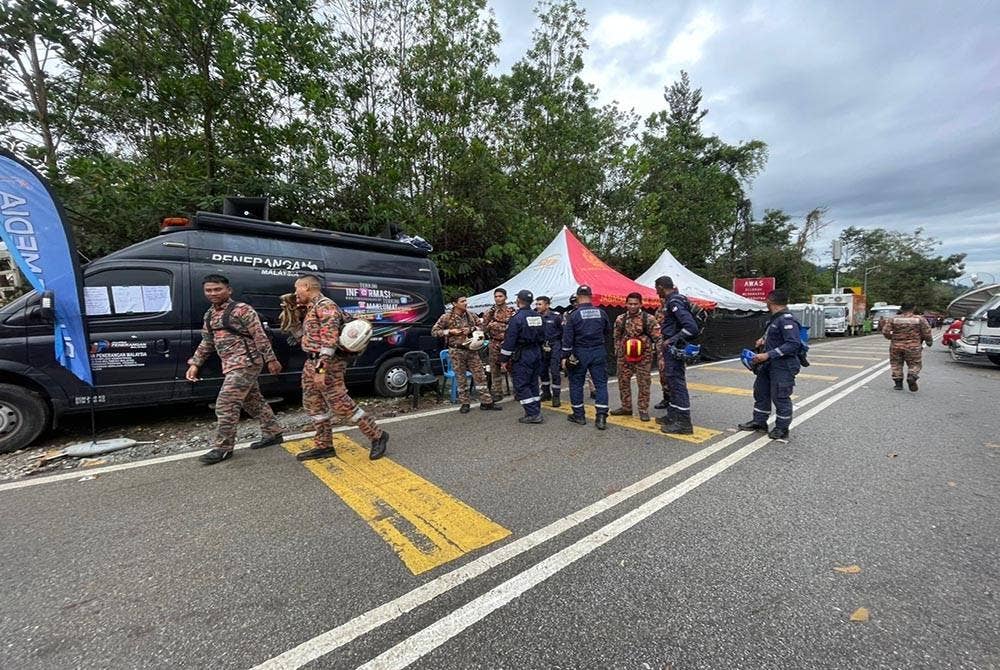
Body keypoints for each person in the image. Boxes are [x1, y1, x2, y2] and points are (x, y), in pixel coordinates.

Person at [186, 274, 283, 465]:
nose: (213, 293)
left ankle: (223, 448)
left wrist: (271, 360)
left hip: (247, 363)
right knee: (252, 400)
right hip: (230, 365)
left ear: (228, 290)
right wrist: (195, 364)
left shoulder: (242, 310)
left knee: (226, 403)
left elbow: (260, 336)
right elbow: (207, 342)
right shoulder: (209, 315)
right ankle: (273, 432)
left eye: (217, 289)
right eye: (208, 290)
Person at [293, 274, 388, 461]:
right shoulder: (310, 308)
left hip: (328, 364)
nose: (295, 293)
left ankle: (377, 435)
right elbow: (306, 339)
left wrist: (321, 370)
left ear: (306, 286)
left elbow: (329, 341)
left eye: (297, 288)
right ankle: (324, 445)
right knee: (314, 405)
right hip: (311, 362)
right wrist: (293, 322)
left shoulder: (326, 306)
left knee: (341, 404)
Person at [738, 289, 803, 440]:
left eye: (767, 301)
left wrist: (767, 354)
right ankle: (759, 422)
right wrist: (763, 341)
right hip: (768, 365)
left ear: (771, 301)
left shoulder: (786, 320)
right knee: (761, 392)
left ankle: (782, 428)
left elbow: (793, 344)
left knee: (780, 396)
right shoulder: (775, 319)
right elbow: (776, 338)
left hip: (783, 365)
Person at [431, 295, 501, 413]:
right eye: (462, 301)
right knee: (461, 377)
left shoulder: (471, 315)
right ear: (454, 304)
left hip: (472, 350)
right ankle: (465, 403)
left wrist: (471, 329)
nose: (465, 303)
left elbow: (482, 327)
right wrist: (450, 331)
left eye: (465, 300)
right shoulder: (446, 317)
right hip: (456, 351)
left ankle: (486, 402)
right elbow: (434, 332)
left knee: (480, 376)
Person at [561, 285, 612, 429]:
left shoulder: (573, 315)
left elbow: (567, 338)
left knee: (576, 384)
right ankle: (601, 417)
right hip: (598, 351)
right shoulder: (601, 313)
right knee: (601, 384)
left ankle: (579, 415)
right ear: (591, 296)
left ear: (578, 297)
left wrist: (565, 357)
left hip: (580, 353)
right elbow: (607, 331)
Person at [654, 276, 700, 435]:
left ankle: (684, 423)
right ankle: (673, 415)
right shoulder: (676, 299)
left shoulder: (674, 302)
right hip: (672, 348)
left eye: (657, 289)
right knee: (671, 382)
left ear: (661, 287)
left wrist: (671, 340)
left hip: (674, 348)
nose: (656, 292)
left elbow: (691, 328)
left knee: (677, 383)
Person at [611, 292, 659, 422]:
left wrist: (659, 354)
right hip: (625, 356)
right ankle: (626, 407)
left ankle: (643, 409)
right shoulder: (621, 319)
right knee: (623, 381)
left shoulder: (648, 319)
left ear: (640, 304)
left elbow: (657, 337)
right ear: (626, 304)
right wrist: (618, 351)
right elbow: (616, 336)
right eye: (630, 304)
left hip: (644, 356)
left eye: (635, 304)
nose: (632, 306)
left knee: (644, 383)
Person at [500, 290, 547, 423]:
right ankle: (535, 409)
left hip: (523, 354)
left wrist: (503, 359)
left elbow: (510, 341)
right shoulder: (538, 316)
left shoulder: (517, 318)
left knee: (521, 384)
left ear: (519, 301)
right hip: (537, 352)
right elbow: (544, 335)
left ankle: (533, 414)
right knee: (533, 383)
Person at [882, 302, 933, 391]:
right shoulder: (919, 319)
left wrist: (891, 337)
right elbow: (927, 332)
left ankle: (898, 384)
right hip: (913, 346)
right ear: (914, 308)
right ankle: (912, 376)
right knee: (915, 364)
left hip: (896, 346)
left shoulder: (893, 319)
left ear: (901, 309)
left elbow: (885, 331)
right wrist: (929, 341)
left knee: (896, 364)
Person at [481, 288, 515, 401]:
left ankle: (518, 390)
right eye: (496, 296)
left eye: (500, 296)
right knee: (495, 369)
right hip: (494, 343)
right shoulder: (489, 312)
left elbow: (516, 327)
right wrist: (490, 325)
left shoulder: (511, 311)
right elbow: (483, 328)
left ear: (505, 297)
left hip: (508, 343)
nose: (498, 299)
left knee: (512, 367)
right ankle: (497, 392)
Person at [534, 295, 563, 407]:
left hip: (554, 345)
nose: (537, 306)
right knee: (542, 371)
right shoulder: (535, 317)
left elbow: (563, 332)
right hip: (541, 346)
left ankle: (556, 396)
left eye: (540, 304)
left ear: (547, 305)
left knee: (555, 371)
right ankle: (546, 392)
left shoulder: (556, 316)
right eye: (536, 304)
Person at [653, 291, 671, 410]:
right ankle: (667, 398)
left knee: (673, 373)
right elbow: (655, 328)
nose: (662, 300)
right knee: (663, 373)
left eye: (663, 298)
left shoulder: (674, 308)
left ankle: (677, 400)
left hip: (673, 344)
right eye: (660, 298)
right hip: (661, 345)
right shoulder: (658, 311)